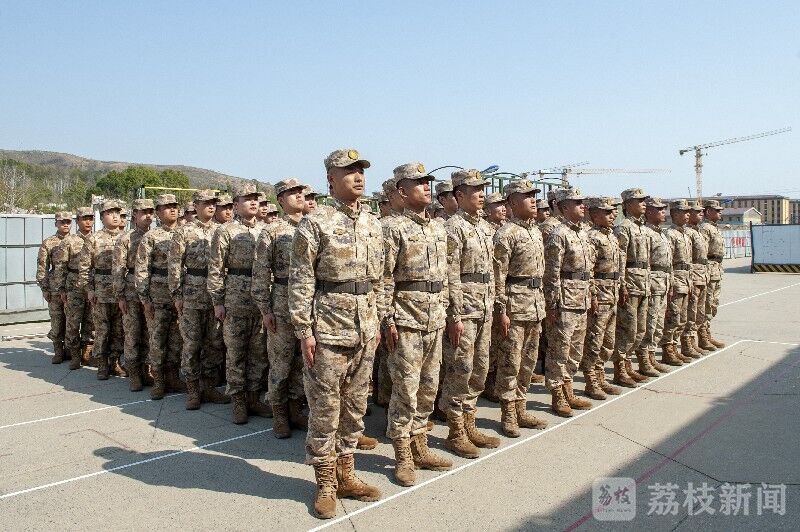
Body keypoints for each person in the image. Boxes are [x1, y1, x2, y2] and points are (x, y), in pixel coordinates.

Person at [288, 148, 383, 519]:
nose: (358, 177)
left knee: (355, 408)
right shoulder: (315, 223)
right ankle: (325, 482)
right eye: (349, 171)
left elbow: (380, 278)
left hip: (365, 328)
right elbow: (301, 280)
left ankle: (347, 475)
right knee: (325, 410)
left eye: (361, 171)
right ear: (331, 179)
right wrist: (304, 330)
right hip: (328, 330)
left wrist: (378, 321)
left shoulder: (373, 222)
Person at [382, 163, 452, 486]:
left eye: (428, 182)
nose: (426, 187)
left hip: (434, 318)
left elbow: (445, 275)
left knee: (428, 386)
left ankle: (420, 445)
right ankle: (402, 454)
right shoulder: (392, 228)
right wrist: (387, 319)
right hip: (406, 319)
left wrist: (447, 310)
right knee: (405, 389)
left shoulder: (438, 228)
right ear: (402, 191)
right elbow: (384, 278)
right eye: (419, 183)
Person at [439, 168, 500, 458]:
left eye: (482, 189)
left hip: (484, 308)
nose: (481, 195)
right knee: (459, 370)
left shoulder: (485, 228)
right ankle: (456, 432)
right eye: (475, 190)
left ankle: (470, 423)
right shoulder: (453, 227)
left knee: (479, 368)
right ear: (459, 195)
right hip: (464, 310)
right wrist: (455, 315)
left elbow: (492, 272)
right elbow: (450, 274)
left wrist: (495, 305)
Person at [208, 184, 271, 424]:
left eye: (256, 199)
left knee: (258, 353)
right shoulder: (225, 231)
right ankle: (238, 401)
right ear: (236, 205)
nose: (253, 202)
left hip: (261, 301)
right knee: (235, 353)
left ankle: (254, 397)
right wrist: (218, 301)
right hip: (235, 300)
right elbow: (216, 268)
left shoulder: (266, 229)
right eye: (247, 199)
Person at [252, 178, 309, 438]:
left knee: (303, 361)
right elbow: (261, 273)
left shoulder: (314, 225)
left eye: (300, 192)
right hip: (282, 303)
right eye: (292, 193)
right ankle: (279, 413)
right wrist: (265, 309)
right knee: (280, 361)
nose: (298, 196)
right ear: (281, 200)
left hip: (309, 303)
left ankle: (296, 408)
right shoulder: (272, 231)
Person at [492, 179, 549, 436]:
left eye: (534, 195)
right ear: (513, 203)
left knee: (528, 361)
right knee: (510, 362)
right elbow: (498, 277)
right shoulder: (506, 234)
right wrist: (501, 311)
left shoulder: (535, 231)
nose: (533, 200)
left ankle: (521, 409)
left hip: (534, 305)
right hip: (514, 306)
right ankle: (508, 414)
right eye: (527, 196)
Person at [169, 190, 230, 410]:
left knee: (214, 343)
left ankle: (209, 386)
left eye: (213, 203)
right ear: (195, 206)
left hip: (216, 297)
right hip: (192, 296)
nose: (211, 206)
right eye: (206, 203)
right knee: (192, 344)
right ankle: (193, 389)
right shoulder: (184, 231)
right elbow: (175, 265)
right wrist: (177, 295)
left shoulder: (221, 230)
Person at [543, 187, 594, 417]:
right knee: (560, 350)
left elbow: (588, 270)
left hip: (581, 298)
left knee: (575, 349)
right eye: (577, 203)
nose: (582, 206)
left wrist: (590, 295)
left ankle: (569, 389)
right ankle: (557, 394)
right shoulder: (558, 234)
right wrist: (552, 304)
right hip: (564, 300)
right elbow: (551, 273)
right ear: (564, 207)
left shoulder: (582, 233)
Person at [136, 194, 184, 399]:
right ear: (158, 212)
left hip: (181, 295)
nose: (172, 210)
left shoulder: (185, 232)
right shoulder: (151, 237)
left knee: (176, 339)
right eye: (167, 207)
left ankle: (173, 377)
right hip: (158, 295)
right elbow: (142, 269)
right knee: (157, 339)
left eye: (175, 206)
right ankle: (158, 380)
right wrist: (145, 299)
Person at [579, 197, 624, 399]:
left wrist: (621, 287)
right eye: (606, 212)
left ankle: (600, 376)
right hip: (600, 293)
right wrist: (593, 294)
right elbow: (589, 270)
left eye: (612, 212)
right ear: (595, 214)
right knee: (594, 341)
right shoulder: (592, 237)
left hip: (612, 293)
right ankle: (591, 381)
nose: (612, 215)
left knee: (608, 341)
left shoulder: (611, 236)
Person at [612, 188, 653, 386]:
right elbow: (620, 259)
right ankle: (620, 369)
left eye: (644, 200)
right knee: (627, 329)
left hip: (643, 283)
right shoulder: (623, 228)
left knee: (640, 330)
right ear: (628, 204)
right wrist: (622, 285)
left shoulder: (643, 228)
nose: (644, 204)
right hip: (630, 284)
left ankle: (628, 365)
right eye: (639, 201)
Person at [79, 199, 124, 380]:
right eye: (110, 213)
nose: (115, 216)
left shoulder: (126, 237)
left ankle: (115, 362)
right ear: (102, 217)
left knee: (119, 330)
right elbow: (84, 268)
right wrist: (89, 289)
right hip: (101, 293)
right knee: (102, 330)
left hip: (121, 292)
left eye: (117, 213)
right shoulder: (94, 239)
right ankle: (102, 364)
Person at [113, 199, 154, 391]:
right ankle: (134, 373)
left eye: (150, 212)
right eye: (143, 212)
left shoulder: (156, 236)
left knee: (148, 333)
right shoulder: (125, 239)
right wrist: (120, 296)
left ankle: (146, 370)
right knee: (132, 333)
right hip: (131, 292)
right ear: (134, 215)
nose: (148, 216)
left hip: (152, 290)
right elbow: (118, 269)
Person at [53, 207, 95, 369]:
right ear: (77, 221)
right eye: (84, 218)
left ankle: (87, 353)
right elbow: (60, 267)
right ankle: (74, 355)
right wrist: (61, 289)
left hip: (92, 285)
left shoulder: (96, 239)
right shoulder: (69, 241)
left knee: (91, 322)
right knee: (73, 322)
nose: (88, 222)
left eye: (91, 218)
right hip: (74, 286)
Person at [640, 197, 672, 375]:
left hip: (663, 282)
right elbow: (645, 263)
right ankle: (644, 359)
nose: (663, 212)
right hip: (652, 283)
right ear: (650, 212)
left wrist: (670, 282)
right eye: (659, 209)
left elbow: (668, 263)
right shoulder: (646, 233)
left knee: (659, 322)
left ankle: (652, 356)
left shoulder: (661, 233)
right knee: (650, 323)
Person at [661, 200, 694, 366]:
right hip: (676, 280)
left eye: (688, 212)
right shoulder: (670, 234)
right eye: (684, 212)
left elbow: (689, 261)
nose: (688, 214)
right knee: (673, 317)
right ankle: (667, 349)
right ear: (674, 214)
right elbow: (669, 262)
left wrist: (690, 280)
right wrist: (671, 284)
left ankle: (674, 347)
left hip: (686, 279)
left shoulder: (685, 234)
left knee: (682, 317)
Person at [480, 191, 506, 403]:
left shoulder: (502, 230)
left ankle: (495, 380)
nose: (503, 208)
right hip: (481, 297)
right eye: (498, 205)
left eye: (504, 204)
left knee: (499, 342)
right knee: (489, 344)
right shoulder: (487, 231)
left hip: (494, 293)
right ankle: (489, 383)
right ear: (487, 210)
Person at [37, 211, 72, 363]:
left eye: (68, 221)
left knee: (72, 322)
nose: (65, 224)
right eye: (62, 221)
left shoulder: (77, 241)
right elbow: (42, 267)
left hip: (72, 289)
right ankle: (58, 351)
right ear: (56, 223)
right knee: (57, 322)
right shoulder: (48, 242)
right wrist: (44, 288)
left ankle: (71, 351)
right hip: (54, 289)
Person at [698, 200, 726, 350]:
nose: (720, 213)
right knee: (706, 304)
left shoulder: (714, 228)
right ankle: (703, 337)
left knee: (713, 304)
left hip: (717, 268)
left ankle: (707, 334)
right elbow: (702, 252)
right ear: (708, 212)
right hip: (709, 268)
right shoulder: (705, 228)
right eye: (717, 210)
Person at [684, 201, 710, 357]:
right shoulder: (687, 232)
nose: (701, 213)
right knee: (691, 312)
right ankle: (688, 343)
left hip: (702, 274)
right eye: (697, 211)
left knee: (700, 311)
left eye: (702, 211)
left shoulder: (699, 231)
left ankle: (697, 339)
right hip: (693, 276)